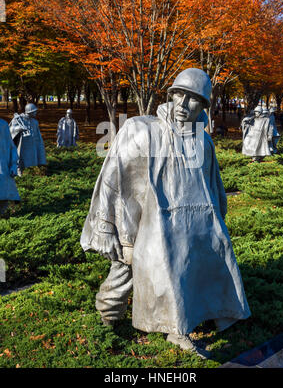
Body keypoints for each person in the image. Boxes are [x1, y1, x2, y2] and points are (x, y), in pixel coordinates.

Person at [81, 68, 251, 358]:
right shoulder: (142, 130)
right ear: (171, 95)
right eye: (179, 95)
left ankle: (178, 327)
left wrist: (216, 228)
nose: (183, 106)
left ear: (205, 106)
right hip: (143, 227)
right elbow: (116, 181)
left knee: (186, 273)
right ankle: (105, 327)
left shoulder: (204, 142)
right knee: (124, 273)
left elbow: (214, 189)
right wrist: (116, 231)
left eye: (194, 99)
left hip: (189, 229)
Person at [9, 103, 46, 176]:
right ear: (30, 112)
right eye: (34, 111)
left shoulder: (35, 122)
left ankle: (31, 174)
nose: (36, 113)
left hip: (31, 145)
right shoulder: (18, 119)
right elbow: (10, 130)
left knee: (31, 160)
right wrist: (19, 129)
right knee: (20, 160)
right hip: (22, 144)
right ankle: (18, 173)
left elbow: (37, 135)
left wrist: (39, 145)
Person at [0, 118, 20, 214]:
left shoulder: (3, 125)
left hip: (4, 169)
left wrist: (13, 165)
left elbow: (12, 147)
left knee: (4, 195)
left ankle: (3, 215)